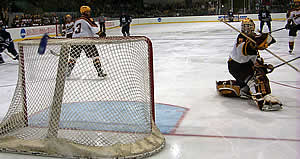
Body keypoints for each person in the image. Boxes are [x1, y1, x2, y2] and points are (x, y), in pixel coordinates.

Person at [217, 18, 282, 111]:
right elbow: (245, 50)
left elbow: (255, 57)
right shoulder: (242, 38)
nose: (246, 28)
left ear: (253, 27)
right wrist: (256, 44)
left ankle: (242, 89)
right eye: (244, 26)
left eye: (248, 26)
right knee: (255, 79)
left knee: (259, 75)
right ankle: (262, 101)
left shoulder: (252, 37)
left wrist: (264, 67)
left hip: (245, 64)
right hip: (237, 66)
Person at [67, 6, 107, 78]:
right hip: (86, 40)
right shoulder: (87, 19)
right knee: (95, 57)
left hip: (76, 41)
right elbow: (94, 28)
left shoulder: (77, 20)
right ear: (84, 12)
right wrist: (101, 33)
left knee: (73, 58)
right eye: (87, 12)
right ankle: (100, 72)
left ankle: (67, 72)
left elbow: (73, 31)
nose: (89, 13)